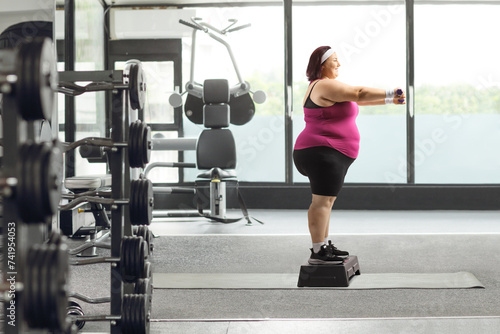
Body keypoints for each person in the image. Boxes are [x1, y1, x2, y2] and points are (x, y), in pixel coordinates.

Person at [293, 46, 405, 265]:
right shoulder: (324, 84)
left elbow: (357, 100)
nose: (339, 64)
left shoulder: (327, 87)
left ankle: (323, 246)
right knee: (321, 203)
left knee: (327, 201)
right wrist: (391, 92)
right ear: (321, 64)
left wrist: (389, 101)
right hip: (321, 152)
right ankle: (317, 252)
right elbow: (359, 93)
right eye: (335, 60)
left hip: (326, 152)